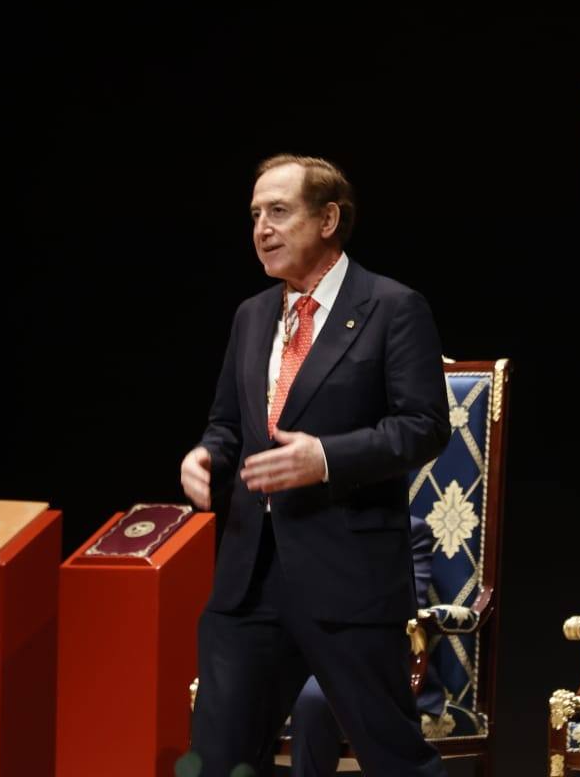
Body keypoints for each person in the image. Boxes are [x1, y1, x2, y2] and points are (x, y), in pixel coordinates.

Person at [181, 154, 449, 777]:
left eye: (279, 211)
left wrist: (326, 457)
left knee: (394, 759)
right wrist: (206, 456)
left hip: (347, 575)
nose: (262, 229)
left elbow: (424, 426)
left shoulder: (392, 307)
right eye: (254, 215)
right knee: (216, 760)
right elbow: (228, 424)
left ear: (329, 218)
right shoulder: (251, 315)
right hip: (249, 576)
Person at [288, 515, 443, 777]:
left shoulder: (411, 531)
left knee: (313, 696)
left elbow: (405, 612)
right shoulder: (296, 532)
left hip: (369, 659)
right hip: (300, 656)